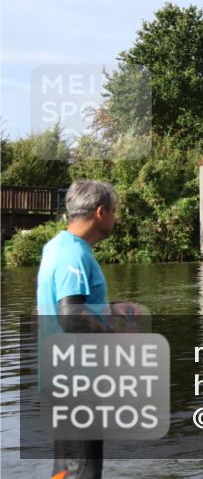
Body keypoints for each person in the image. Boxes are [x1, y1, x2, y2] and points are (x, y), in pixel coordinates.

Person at [36, 180, 120, 479]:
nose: (116, 217)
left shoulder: (55, 246)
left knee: (67, 468)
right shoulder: (74, 254)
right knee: (85, 469)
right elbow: (71, 315)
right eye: (114, 211)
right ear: (101, 212)